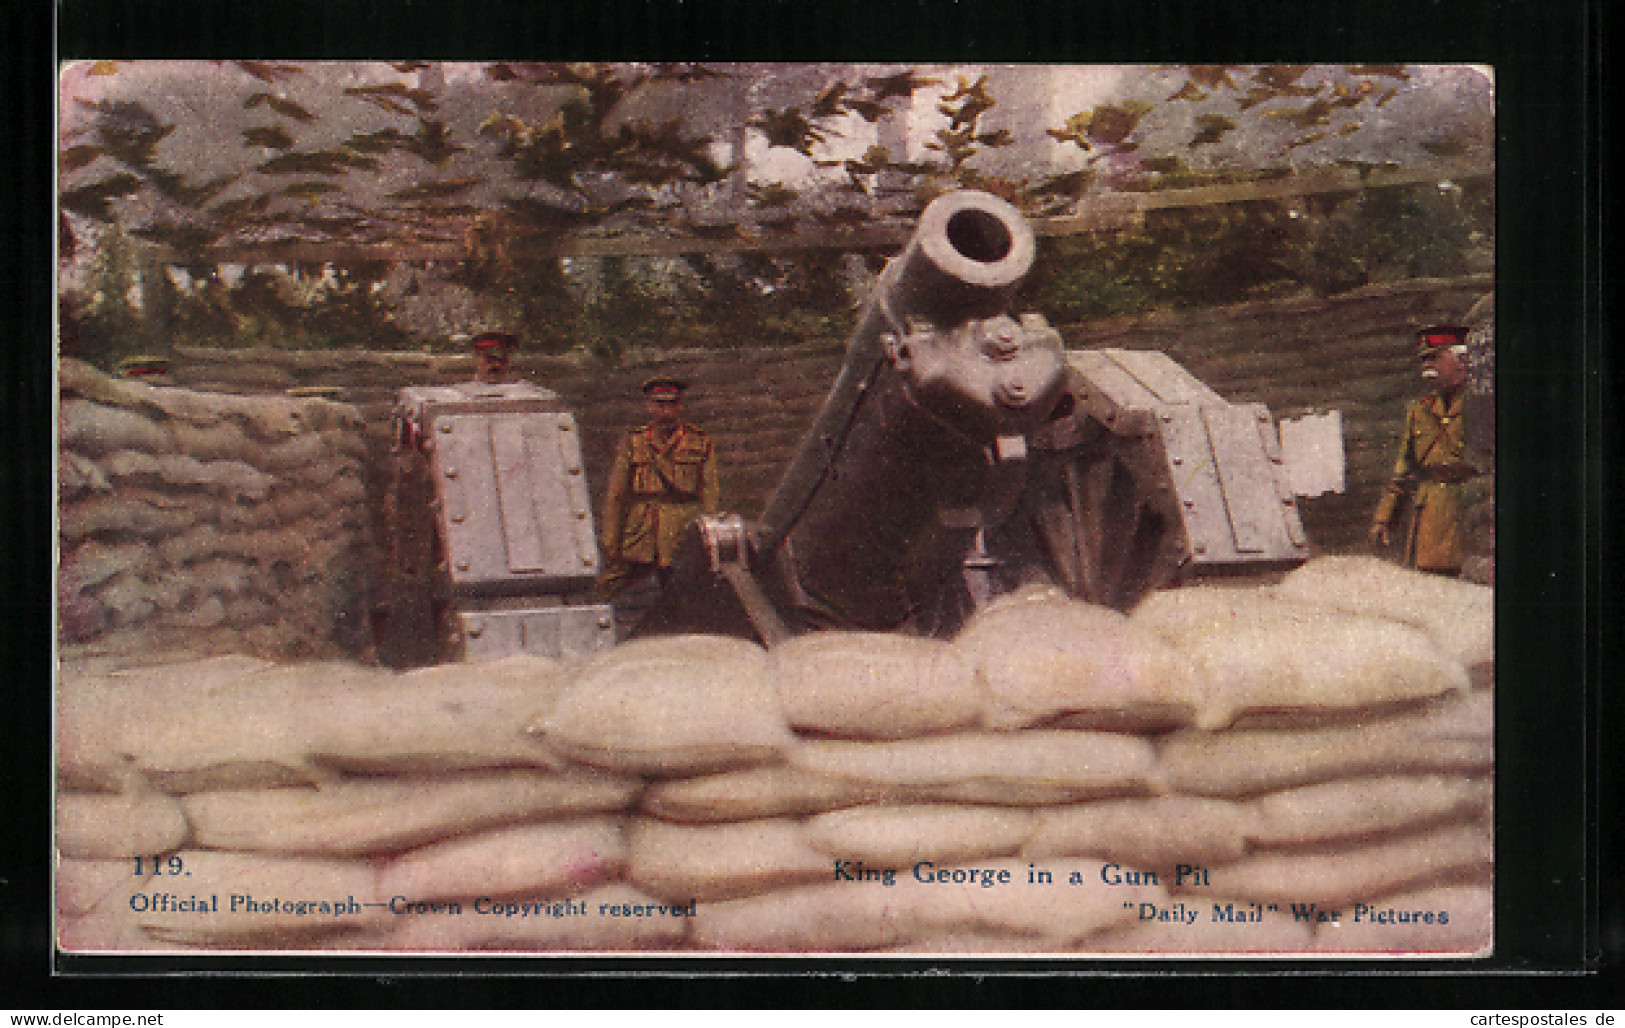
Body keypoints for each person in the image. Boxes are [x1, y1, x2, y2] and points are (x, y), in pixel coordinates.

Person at [596, 376, 720, 599]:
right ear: (650, 407)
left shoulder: (699, 441)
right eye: (659, 405)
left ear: (680, 407)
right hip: (642, 530)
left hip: (680, 528)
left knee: (686, 593)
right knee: (605, 586)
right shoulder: (634, 442)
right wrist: (611, 541)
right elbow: (617, 494)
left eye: (671, 405)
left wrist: (708, 535)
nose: (665, 411)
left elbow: (709, 492)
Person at [1369, 325, 1479, 576]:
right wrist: (1384, 517)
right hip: (1428, 521)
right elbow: (1403, 471)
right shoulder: (1419, 411)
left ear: (1461, 361)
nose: (1426, 367)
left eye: (1434, 358)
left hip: (1467, 516)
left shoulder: (1481, 403)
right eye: (1423, 360)